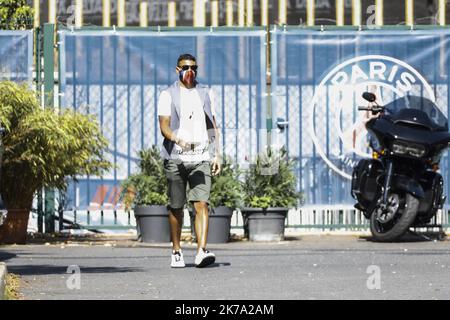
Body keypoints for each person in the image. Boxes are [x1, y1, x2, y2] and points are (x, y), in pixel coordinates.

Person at [157, 53, 222, 268]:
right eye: (185, 67)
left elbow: (212, 125)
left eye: (194, 67)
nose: (190, 71)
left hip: (201, 156)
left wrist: (216, 153)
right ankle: (176, 250)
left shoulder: (206, 93)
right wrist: (176, 137)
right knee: (176, 206)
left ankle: (202, 251)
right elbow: (164, 125)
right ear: (178, 70)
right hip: (176, 157)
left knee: (201, 203)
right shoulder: (167, 94)